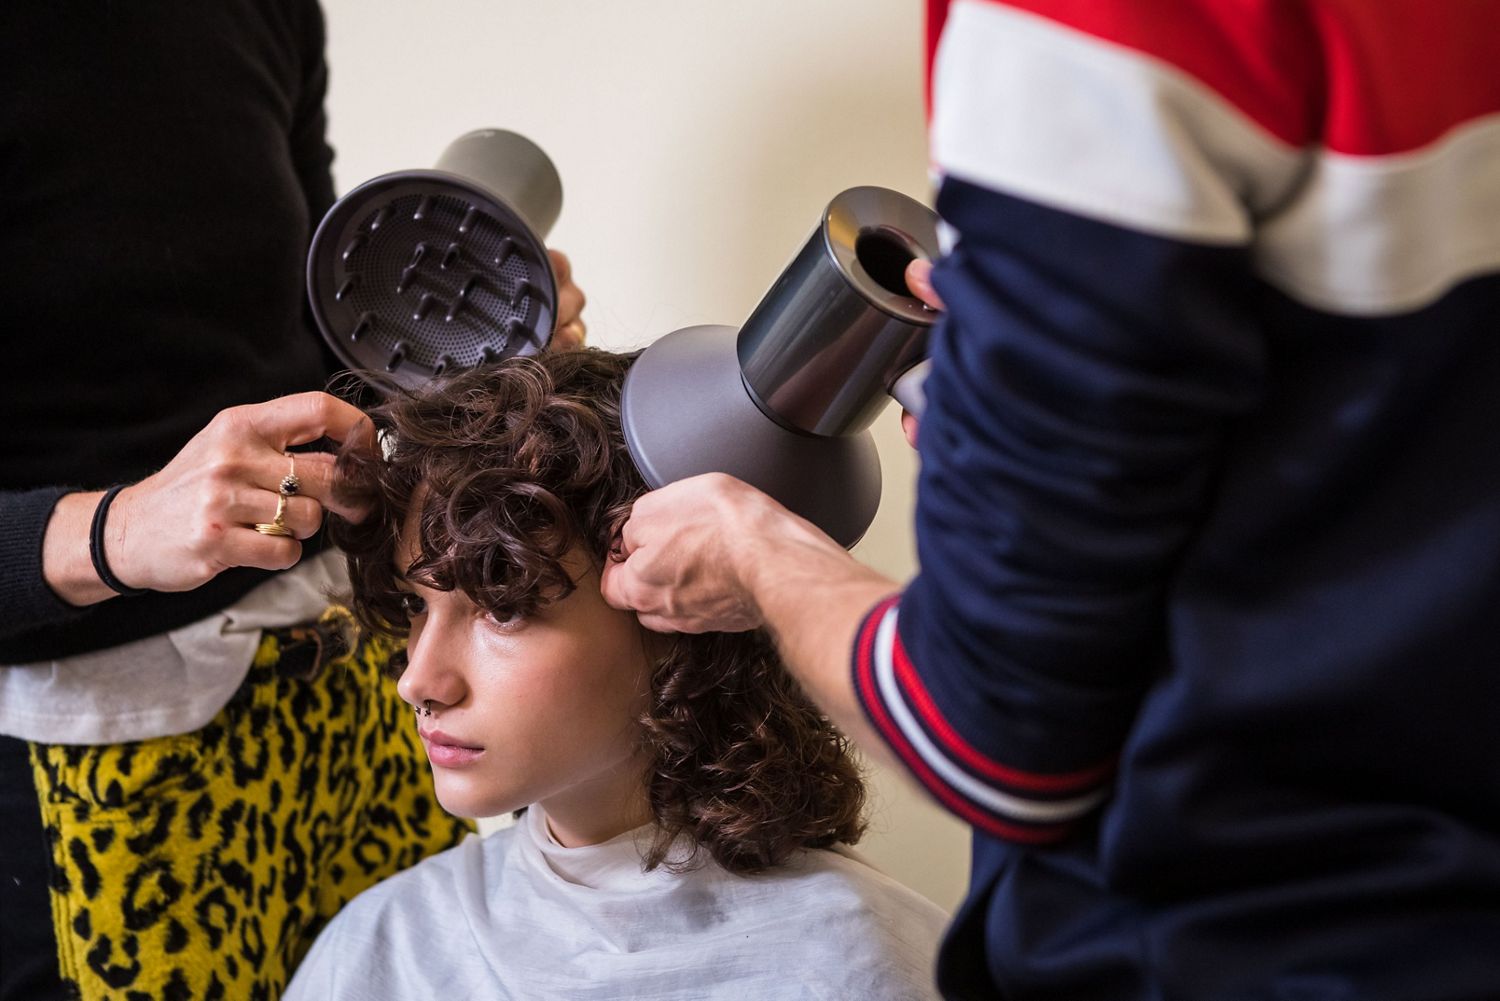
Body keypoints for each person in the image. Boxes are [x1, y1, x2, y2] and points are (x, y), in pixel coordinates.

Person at [600, 1, 1500, 997]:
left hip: (1249, 942)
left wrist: (762, 553)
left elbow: (993, 731)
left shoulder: (1090, 25)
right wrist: (1052, 392)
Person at [0, 4, 585, 998]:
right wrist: (113, 529)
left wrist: (447, 342)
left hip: (349, 676)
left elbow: (310, 349)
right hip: (102, 762)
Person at [282, 349, 947, 1000]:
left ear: (678, 614)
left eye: (503, 610)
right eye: (415, 606)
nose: (419, 681)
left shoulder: (861, 963)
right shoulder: (382, 944)